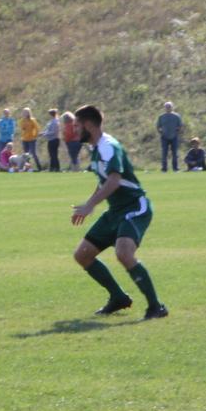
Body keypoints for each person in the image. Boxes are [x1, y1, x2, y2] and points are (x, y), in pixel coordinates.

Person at [71, 105, 167, 320]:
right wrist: (89, 203)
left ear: (88, 125)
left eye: (77, 126)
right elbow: (105, 181)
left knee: (124, 253)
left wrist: (91, 206)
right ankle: (118, 298)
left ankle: (156, 307)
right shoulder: (96, 149)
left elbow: (114, 180)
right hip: (116, 211)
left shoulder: (108, 146)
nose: (74, 130)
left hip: (135, 206)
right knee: (82, 255)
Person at [156, 101, 183, 172]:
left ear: (172, 107)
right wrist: (161, 133)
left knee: (175, 153)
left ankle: (175, 168)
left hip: (174, 137)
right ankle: (164, 168)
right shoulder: (161, 117)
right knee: (164, 153)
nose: (168, 108)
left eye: (169, 107)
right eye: (167, 107)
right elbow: (158, 126)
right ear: (165, 108)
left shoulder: (176, 116)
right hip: (164, 137)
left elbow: (180, 125)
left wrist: (177, 132)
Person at [41, 108, 61, 172]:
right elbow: (49, 130)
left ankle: (56, 168)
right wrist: (43, 133)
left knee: (54, 155)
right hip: (52, 139)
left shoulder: (55, 122)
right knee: (52, 155)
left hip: (54, 140)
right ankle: (52, 167)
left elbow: (53, 132)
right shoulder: (53, 121)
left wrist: (45, 134)